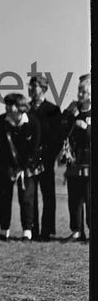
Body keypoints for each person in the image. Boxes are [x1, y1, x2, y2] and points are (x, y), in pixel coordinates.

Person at [0, 93, 43, 241]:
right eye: (6, 104)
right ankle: (4, 231)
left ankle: (27, 231)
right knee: (4, 197)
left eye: (11, 104)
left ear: (21, 107)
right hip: (6, 165)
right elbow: (1, 148)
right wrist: (10, 169)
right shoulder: (0, 122)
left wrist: (24, 167)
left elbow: (35, 148)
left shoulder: (33, 122)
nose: (7, 107)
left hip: (28, 165)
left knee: (27, 198)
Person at [26, 76, 63, 240]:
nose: (32, 89)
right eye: (31, 86)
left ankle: (47, 231)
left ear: (44, 89)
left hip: (47, 159)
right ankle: (32, 229)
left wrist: (52, 157)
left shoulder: (53, 110)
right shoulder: (25, 109)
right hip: (29, 160)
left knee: (48, 195)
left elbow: (58, 137)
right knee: (30, 195)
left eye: (36, 86)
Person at [60, 74, 90, 242]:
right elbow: (62, 131)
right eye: (79, 91)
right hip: (74, 161)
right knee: (74, 198)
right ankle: (76, 230)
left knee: (90, 198)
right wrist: (70, 117)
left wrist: (87, 128)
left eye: (83, 91)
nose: (80, 95)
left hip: (90, 162)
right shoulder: (72, 110)